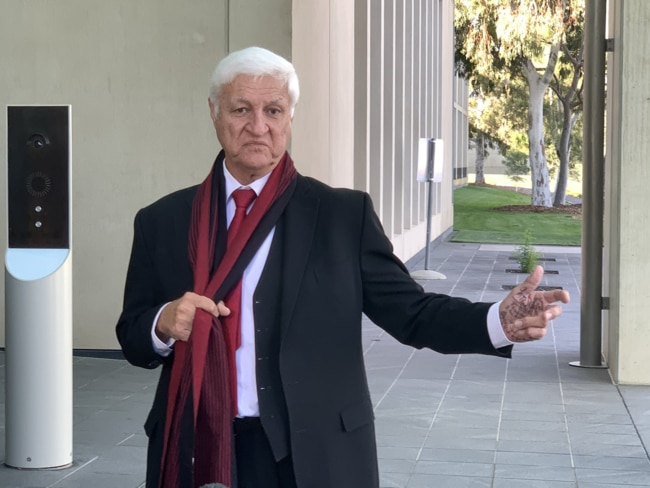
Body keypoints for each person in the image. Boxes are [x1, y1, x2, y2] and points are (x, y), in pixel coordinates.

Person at [116, 46, 570, 488]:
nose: (258, 126)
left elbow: (411, 312)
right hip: (199, 446)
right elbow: (133, 334)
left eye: (273, 111)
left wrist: (496, 321)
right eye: (240, 110)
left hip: (314, 454)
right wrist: (160, 325)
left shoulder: (341, 216)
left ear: (290, 119)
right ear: (214, 113)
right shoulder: (164, 221)